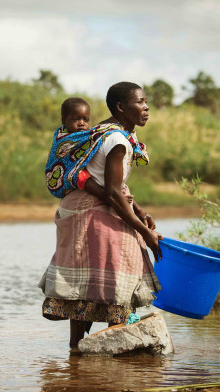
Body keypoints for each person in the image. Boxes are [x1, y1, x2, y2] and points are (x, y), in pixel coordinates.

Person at [39, 82, 162, 353]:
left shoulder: (108, 132)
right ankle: (105, 344)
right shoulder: (117, 140)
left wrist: (140, 212)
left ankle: (78, 350)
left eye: (145, 102)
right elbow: (114, 194)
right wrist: (145, 232)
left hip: (83, 209)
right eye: (140, 102)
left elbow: (114, 187)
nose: (146, 107)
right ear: (121, 108)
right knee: (117, 269)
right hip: (89, 211)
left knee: (92, 279)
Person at [51, 97, 157, 229]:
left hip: (96, 190)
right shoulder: (64, 139)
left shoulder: (89, 137)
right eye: (75, 119)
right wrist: (111, 199)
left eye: (85, 119)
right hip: (69, 179)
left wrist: (136, 208)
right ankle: (108, 198)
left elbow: (98, 131)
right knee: (81, 176)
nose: (81, 123)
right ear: (64, 121)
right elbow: (71, 169)